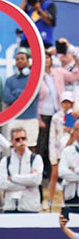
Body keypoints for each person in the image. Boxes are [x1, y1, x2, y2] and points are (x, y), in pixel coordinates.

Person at [38, 52, 79, 189]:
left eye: (48, 57)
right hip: (42, 115)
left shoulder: (58, 72)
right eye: (44, 58)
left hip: (58, 112)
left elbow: (75, 75)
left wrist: (74, 57)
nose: (47, 60)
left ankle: (56, 177)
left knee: (65, 143)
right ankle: (44, 176)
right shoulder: (36, 75)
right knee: (43, 146)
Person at [0, 127, 42, 213]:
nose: (21, 141)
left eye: (23, 138)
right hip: (10, 207)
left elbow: (36, 180)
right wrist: (27, 184)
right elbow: (3, 184)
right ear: (12, 141)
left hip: (30, 207)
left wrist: (13, 178)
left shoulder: (36, 158)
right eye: (17, 139)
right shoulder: (5, 161)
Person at [47, 92, 79, 209]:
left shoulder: (75, 115)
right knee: (54, 175)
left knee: (69, 174)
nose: (66, 105)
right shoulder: (56, 117)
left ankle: (63, 199)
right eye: (64, 102)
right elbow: (52, 136)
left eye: (68, 102)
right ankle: (50, 200)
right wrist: (53, 156)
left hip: (71, 149)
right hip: (59, 149)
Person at [3, 49, 40, 148]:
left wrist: (16, 92)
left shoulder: (35, 78)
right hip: (14, 118)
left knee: (31, 146)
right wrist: (23, 93)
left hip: (30, 118)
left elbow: (32, 96)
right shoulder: (10, 80)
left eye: (22, 59)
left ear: (28, 61)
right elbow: (7, 98)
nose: (19, 61)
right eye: (17, 59)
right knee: (14, 146)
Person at [58, 121, 79, 212]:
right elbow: (62, 172)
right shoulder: (67, 151)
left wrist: (75, 170)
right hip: (70, 196)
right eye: (77, 130)